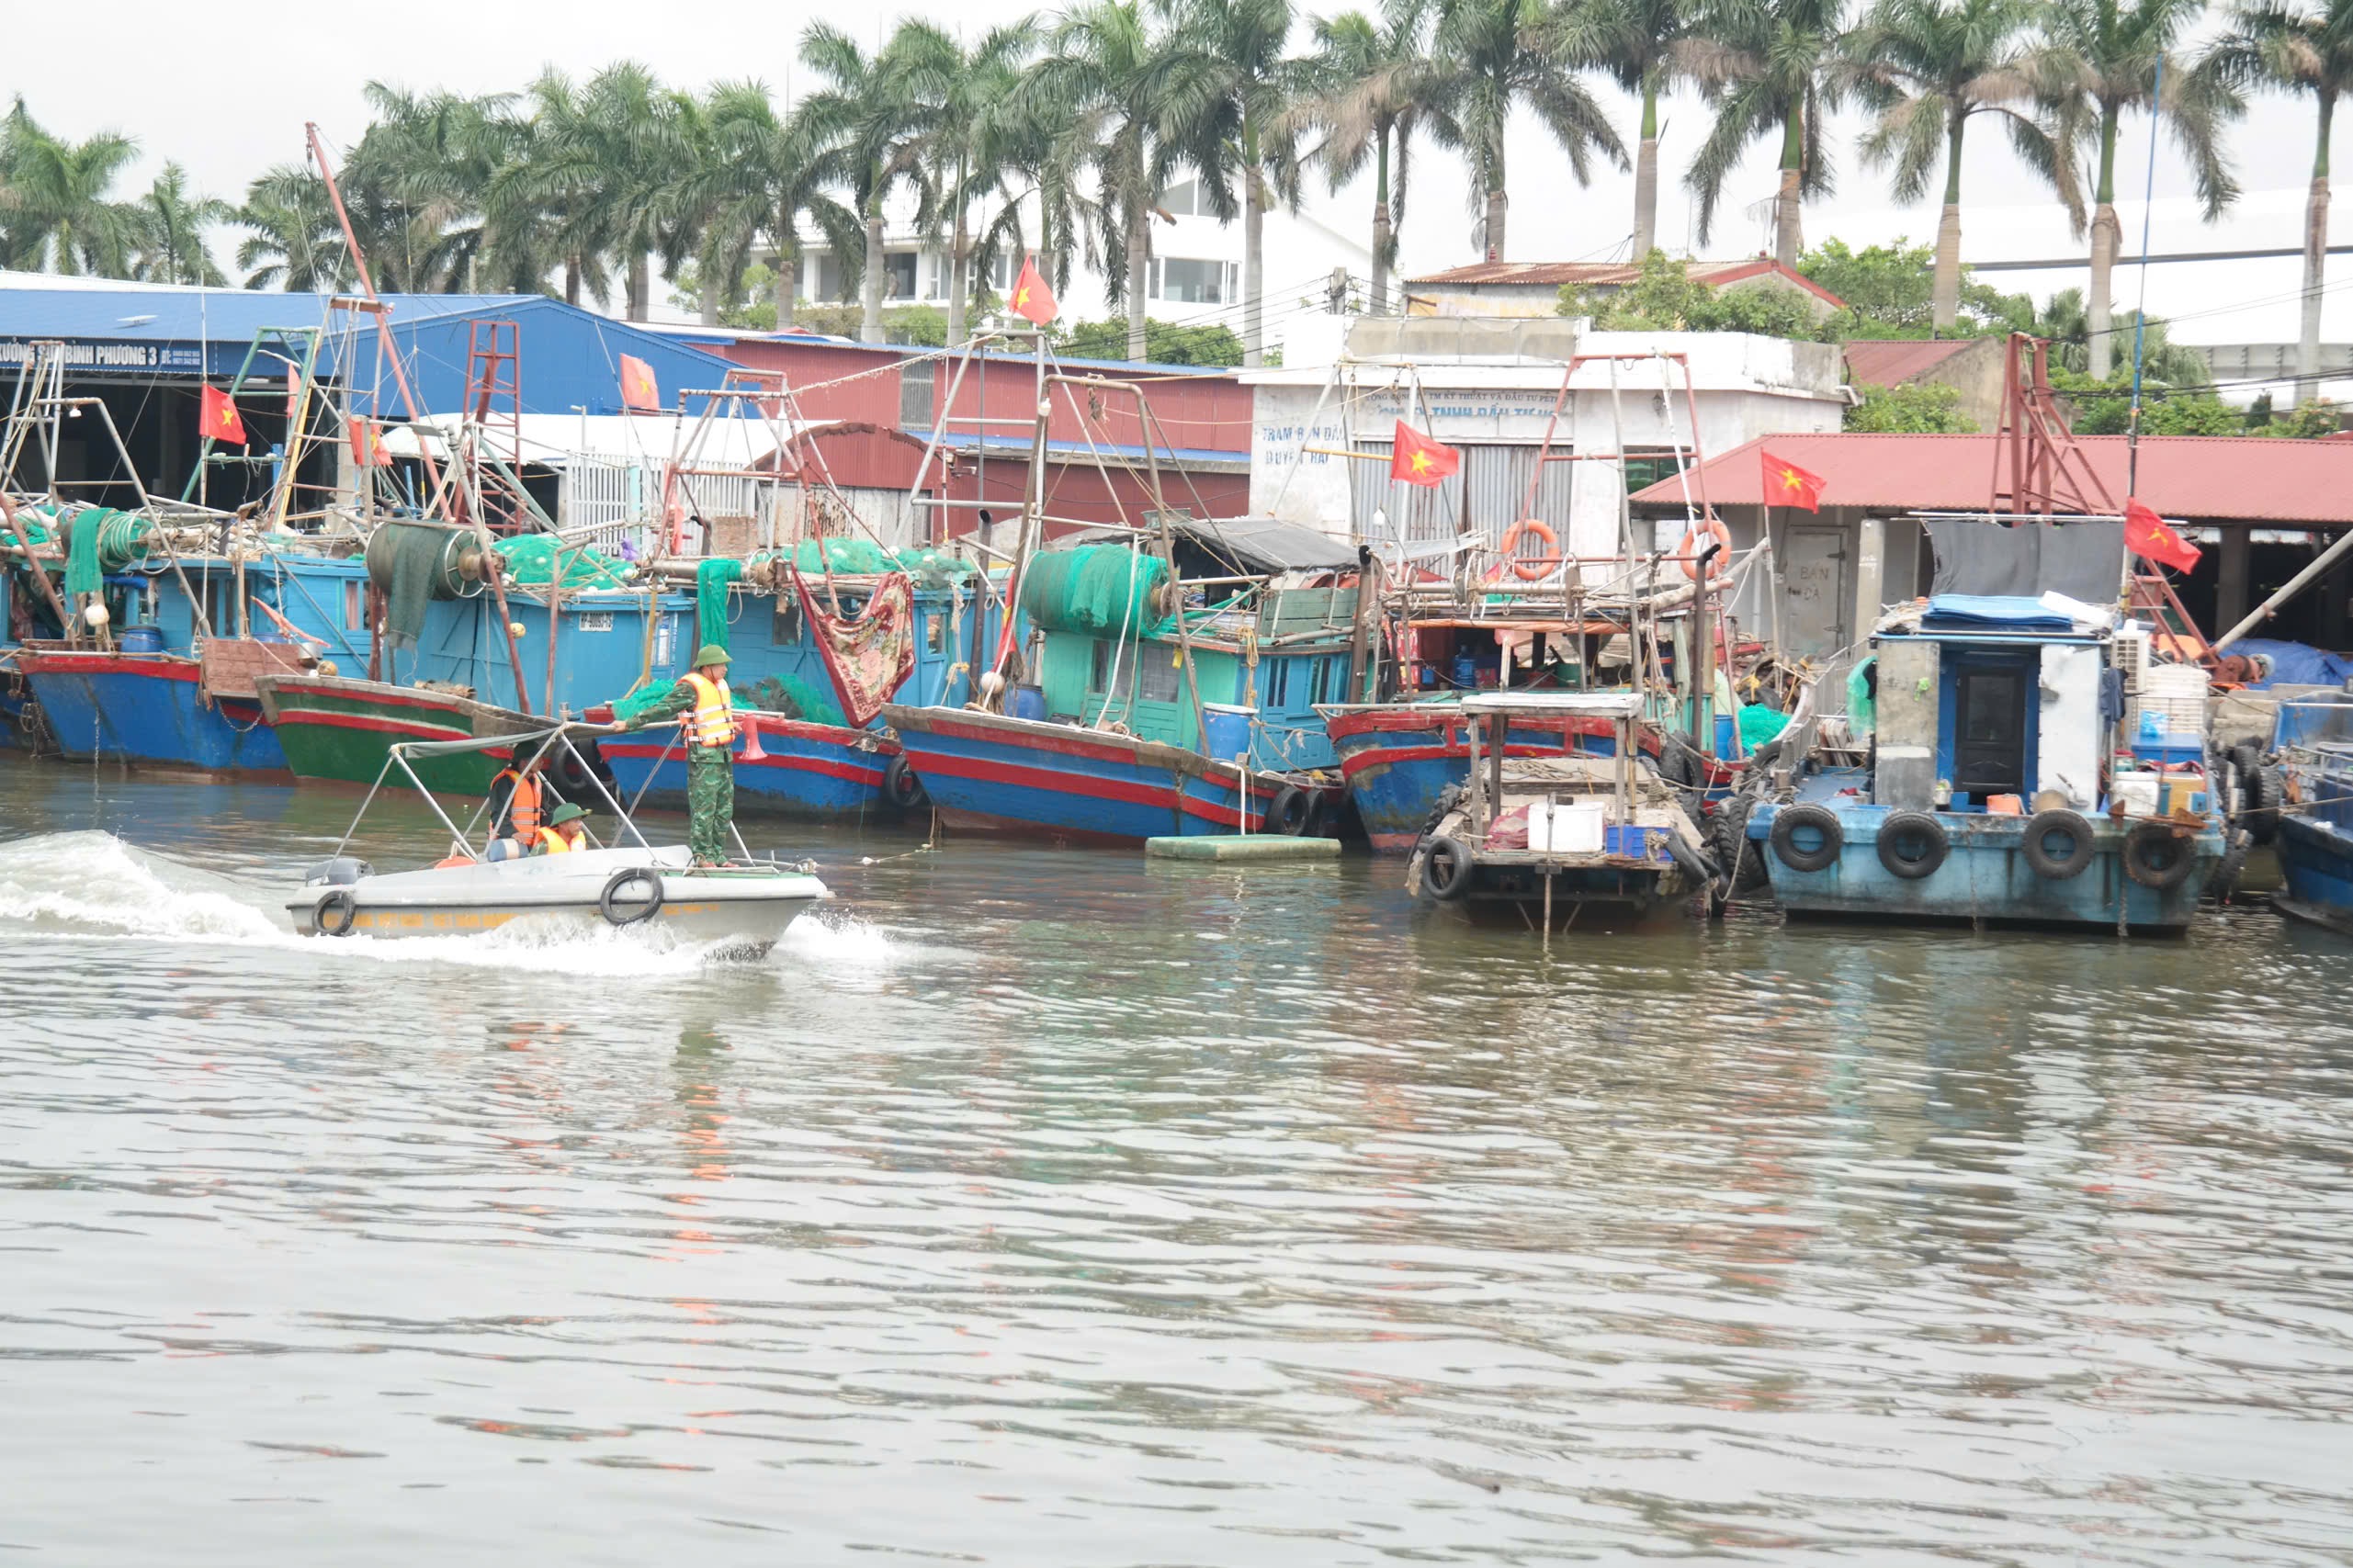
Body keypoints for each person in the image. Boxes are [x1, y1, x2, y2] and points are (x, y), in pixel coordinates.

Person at [614, 644, 738, 867]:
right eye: (721, 665)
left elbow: (714, 717)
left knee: (724, 809)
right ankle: (702, 856)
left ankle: (717, 855)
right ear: (708, 667)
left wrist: (731, 726)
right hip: (704, 757)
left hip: (724, 756)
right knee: (704, 809)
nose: (725, 669)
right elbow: (662, 708)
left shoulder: (720, 686)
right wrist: (630, 723)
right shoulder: (690, 688)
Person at [488, 758, 550, 839]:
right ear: (524, 763)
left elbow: (547, 810)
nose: (542, 762)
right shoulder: (505, 782)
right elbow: (498, 813)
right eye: (538, 759)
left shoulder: (537, 783)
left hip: (533, 842)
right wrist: (511, 832)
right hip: (509, 841)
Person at [526, 800, 594, 856]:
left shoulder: (580, 840)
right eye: (575, 820)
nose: (580, 824)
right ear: (561, 823)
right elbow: (532, 868)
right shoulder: (545, 845)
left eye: (580, 820)